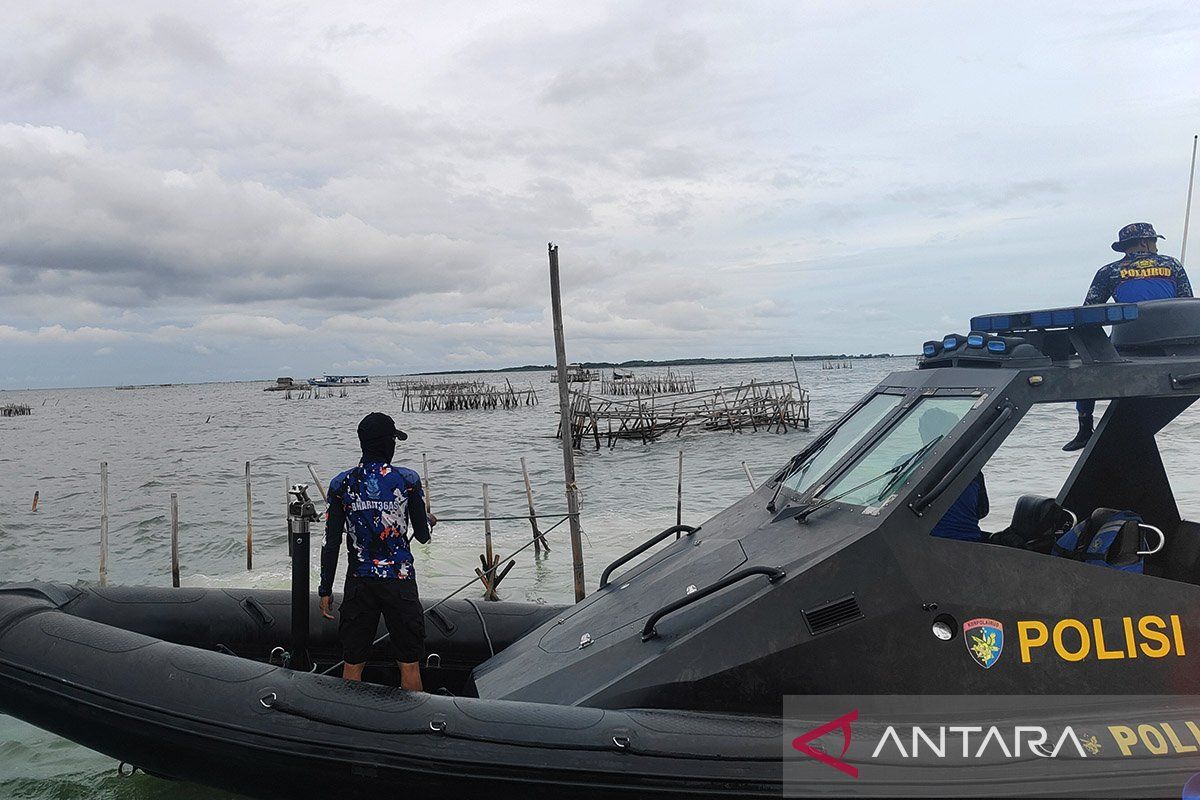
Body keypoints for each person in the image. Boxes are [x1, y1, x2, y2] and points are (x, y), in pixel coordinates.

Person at [318, 412, 431, 689]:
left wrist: (325, 590)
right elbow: (424, 536)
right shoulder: (407, 480)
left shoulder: (341, 484)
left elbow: (330, 543)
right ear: (389, 444)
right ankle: (416, 724)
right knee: (409, 662)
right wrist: (425, 518)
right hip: (400, 581)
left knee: (353, 662)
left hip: (359, 582)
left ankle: (352, 722)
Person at [1063, 222, 1193, 451]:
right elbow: (1187, 303)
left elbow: (1089, 310)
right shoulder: (1172, 265)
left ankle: (1084, 427)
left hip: (1129, 342)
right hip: (1171, 346)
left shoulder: (1108, 272)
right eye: (1154, 241)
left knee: (1087, 365)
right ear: (1144, 242)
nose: (1155, 247)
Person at [918, 407, 989, 541]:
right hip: (970, 542)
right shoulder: (971, 469)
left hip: (925, 543)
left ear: (922, 432)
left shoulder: (908, 468)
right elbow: (982, 511)